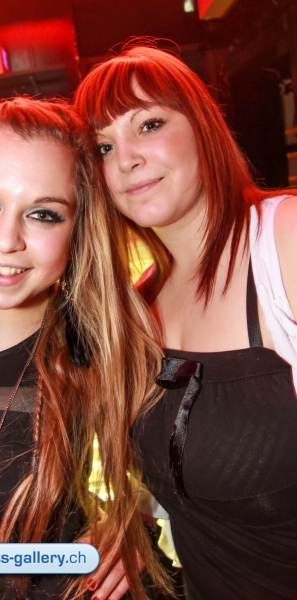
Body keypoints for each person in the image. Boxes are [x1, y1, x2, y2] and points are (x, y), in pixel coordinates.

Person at [0, 95, 168, 600]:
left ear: (79, 230)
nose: (6, 240)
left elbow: (182, 487)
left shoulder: (105, 351)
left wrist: (132, 525)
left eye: (43, 214)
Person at [74, 44, 297, 599]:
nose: (125, 159)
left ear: (202, 126)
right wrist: (134, 522)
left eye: (148, 125)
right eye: (103, 147)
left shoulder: (283, 241)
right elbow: (184, 469)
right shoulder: (138, 307)